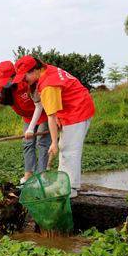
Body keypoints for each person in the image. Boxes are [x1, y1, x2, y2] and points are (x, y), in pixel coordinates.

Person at [13, 55, 95, 197]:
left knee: (69, 150)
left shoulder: (48, 85)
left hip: (77, 111)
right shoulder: (47, 69)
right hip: (75, 108)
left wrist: (53, 143)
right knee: (66, 147)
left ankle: (71, 188)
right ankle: (64, 183)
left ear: (34, 70)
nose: (24, 81)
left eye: (25, 77)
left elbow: (51, 117)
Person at [0, 60, 50, 184]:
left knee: (42, 143)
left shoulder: (27, 82)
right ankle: (28, 175)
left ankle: (42, 175)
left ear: (14, 76)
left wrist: (31, 129)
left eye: (8, 79)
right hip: (28, 118)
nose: (5, 83)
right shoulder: (3, 88)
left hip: (43, 114)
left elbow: (39, 106)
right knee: (27, 143)